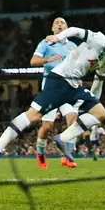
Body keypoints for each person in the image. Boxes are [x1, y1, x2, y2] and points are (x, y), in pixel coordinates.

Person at [0, 24, 105, 171]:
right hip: (59, 80)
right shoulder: (100, 40)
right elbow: (76, 31)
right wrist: (58, 37)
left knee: (100, 113)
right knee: (33, 115)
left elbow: (98, 84)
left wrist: (92, 104)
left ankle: (62, 139)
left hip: (74, 87)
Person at [30, 17, 76, 168]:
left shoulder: (73, 46)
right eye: (57, 22)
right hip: (51, 87)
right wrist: (48, 59)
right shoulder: (45, 43)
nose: (60, 24)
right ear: (52, 29)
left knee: (72, 118)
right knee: (47, 127)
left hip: (68, 86)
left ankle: (67, 157)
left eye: (63, 22)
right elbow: (33, 61)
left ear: (67, 28)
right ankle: (41, 153)